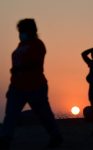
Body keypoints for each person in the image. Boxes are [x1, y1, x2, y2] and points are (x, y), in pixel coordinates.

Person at [0, 18, 63, 149]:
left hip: (35, 86)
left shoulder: (38, 45)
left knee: (43, 114)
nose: (20, 33)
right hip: (17, 87)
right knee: (10, 114)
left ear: (31, 30)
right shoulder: (20, 45)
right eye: (19, 30)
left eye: (22, 30)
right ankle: (5, 139)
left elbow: (35, 63)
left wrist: (20, 69)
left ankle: (56, 136)